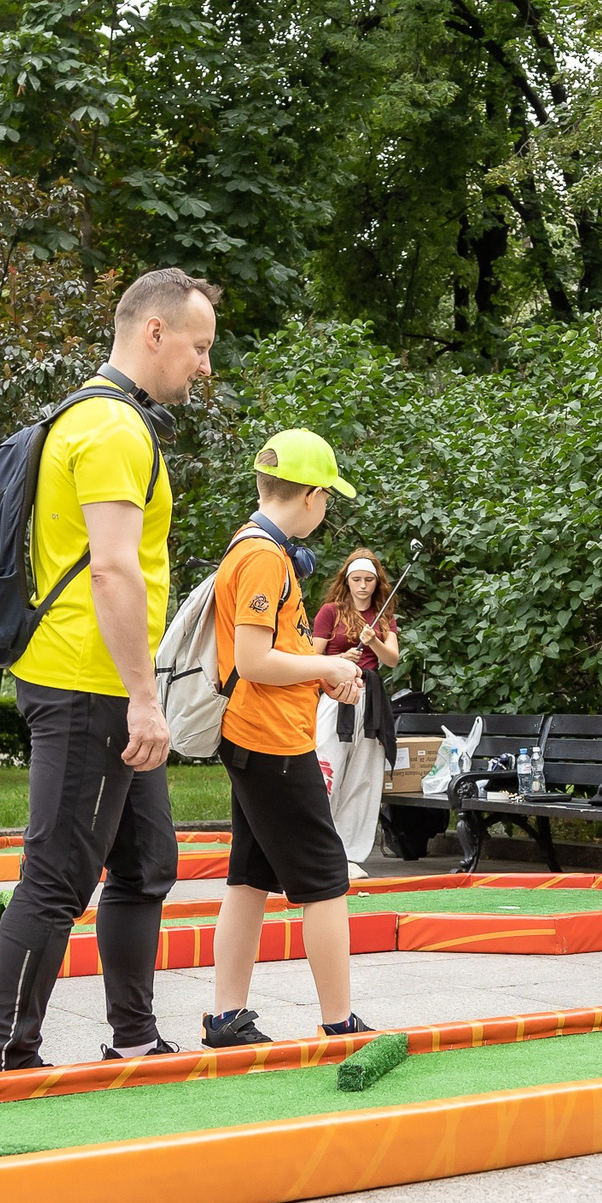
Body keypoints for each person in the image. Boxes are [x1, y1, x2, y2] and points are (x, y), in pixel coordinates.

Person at [0, 267, 219, 1070]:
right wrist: (144, 700)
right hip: (93, 685)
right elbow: (113, 572)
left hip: (104, 681)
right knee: (56, 875)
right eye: (198, 346)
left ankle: (133, 1032)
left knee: (146, 860)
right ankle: (11, 1056)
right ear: (153, 332)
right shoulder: (116, 429)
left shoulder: (88, 416)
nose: (204, 365)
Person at [204, 433, 371, 1047]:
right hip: (272, 742)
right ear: (310, 496)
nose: (326, 508)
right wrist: (326, 669)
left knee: (249, 876)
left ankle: (227, 1017)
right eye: (326, 495)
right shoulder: (265, 558)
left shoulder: (258, 550)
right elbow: (253, 660)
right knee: (326, 878)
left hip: (259, 735)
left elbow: (278, 651)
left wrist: (325, 672)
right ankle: (339, 1023)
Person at [310, 547, 400, 880]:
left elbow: (391, 659)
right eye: (356, 579)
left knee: (364, 775)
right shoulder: (330, 612)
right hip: (337, 696)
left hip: (371, 700)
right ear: (346, 581)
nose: (362, 586)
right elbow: (311, 658)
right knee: (327, 768)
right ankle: (318, 849)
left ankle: (349, 854)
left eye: (369, 580)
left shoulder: (383, 614)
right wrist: (340, 661)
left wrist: (373, 640)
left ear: (377, 583)